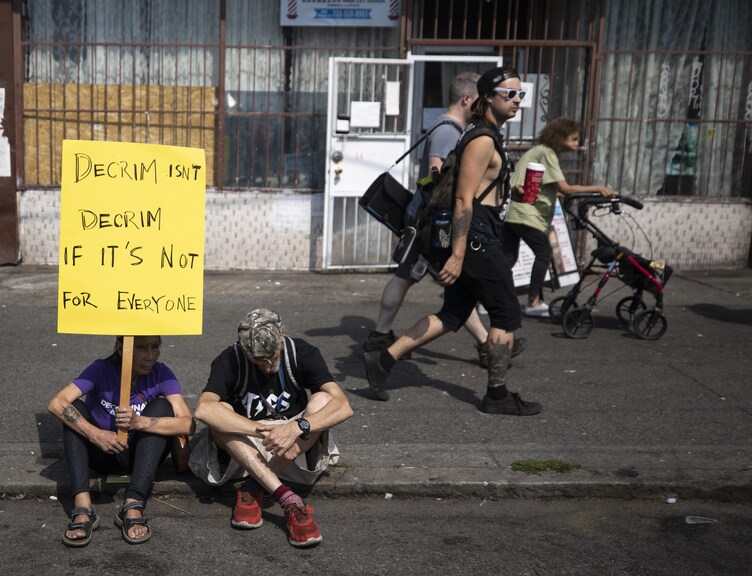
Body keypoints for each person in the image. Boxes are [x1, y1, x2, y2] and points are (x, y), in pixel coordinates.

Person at [363, 66, 542, 416]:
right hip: (476, 239)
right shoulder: (482, 139)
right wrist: (458, 255)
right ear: (488, 96)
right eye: (510, 94)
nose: (518, 101)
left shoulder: (487, 134)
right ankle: (497, 395)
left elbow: (481, 189)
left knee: (453, 313)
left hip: (479, 233)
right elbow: (463, 200)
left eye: (522, 94)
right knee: (506, 313)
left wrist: (512, 192)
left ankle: (383, 359)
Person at [191, 309, 353, 548]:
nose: (267, 366)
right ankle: (287, 499)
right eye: (258, 361)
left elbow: (343, 407)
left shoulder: (302, 352)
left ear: (281, 334)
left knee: (323, 399)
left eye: (273, 356)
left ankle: (253, 486)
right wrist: (259, 429)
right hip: (245, 452)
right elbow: (203, 410)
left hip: (293, 450)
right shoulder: (230, 359)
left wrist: (299, 426)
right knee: (219, 411)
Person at [47, 335, 194, 546]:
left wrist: (141, 423)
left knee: (162, 407)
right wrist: (95, 434)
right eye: (142, 348)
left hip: (139, 455)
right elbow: (56, 404)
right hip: (101, 453)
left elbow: (188, 424)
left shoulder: (162, 373)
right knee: (73, 410)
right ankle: (83, 506)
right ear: (120, 347)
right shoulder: (100, 369)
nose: (150, 356)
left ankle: (133, 504)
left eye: (155, 347)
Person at [503, 117, 615, 317]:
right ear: (559, 138)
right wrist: (598, 188)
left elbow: (557, 191)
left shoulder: (539, 152)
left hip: (514, 212)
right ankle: (534, 302)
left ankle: (484, 300)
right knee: (544, 253)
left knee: (507, 259)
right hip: (526, 213)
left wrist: (585, 194)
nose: (577, 144)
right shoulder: (547, 153)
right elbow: (566, 188)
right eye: (573, 139)